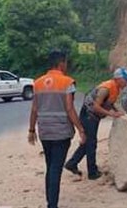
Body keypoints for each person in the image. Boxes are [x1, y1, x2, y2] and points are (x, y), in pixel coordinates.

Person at [28, 50, 86, 208]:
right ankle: (52, 205)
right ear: (61, 64)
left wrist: (31, 130)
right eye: (66, 63)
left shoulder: (38, 82)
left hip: (45, 132)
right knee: (55, 170)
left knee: (50, 166)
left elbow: (34, 109)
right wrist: (80, 129)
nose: (66, 66)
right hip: (61, 133)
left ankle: (50, 201)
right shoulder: (67, 82)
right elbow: (69, 108)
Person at [64, 69, 127, 180]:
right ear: (118, 79)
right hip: (88, 115)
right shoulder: (105, 89)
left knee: (88, 143)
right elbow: (96, 107)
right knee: (91, 143)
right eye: (125, 80)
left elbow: (109, 102)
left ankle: (71, 163)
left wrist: (117, 111)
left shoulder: (115, 88)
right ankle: (92, 172)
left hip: (93, 116)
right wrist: (111, 114)